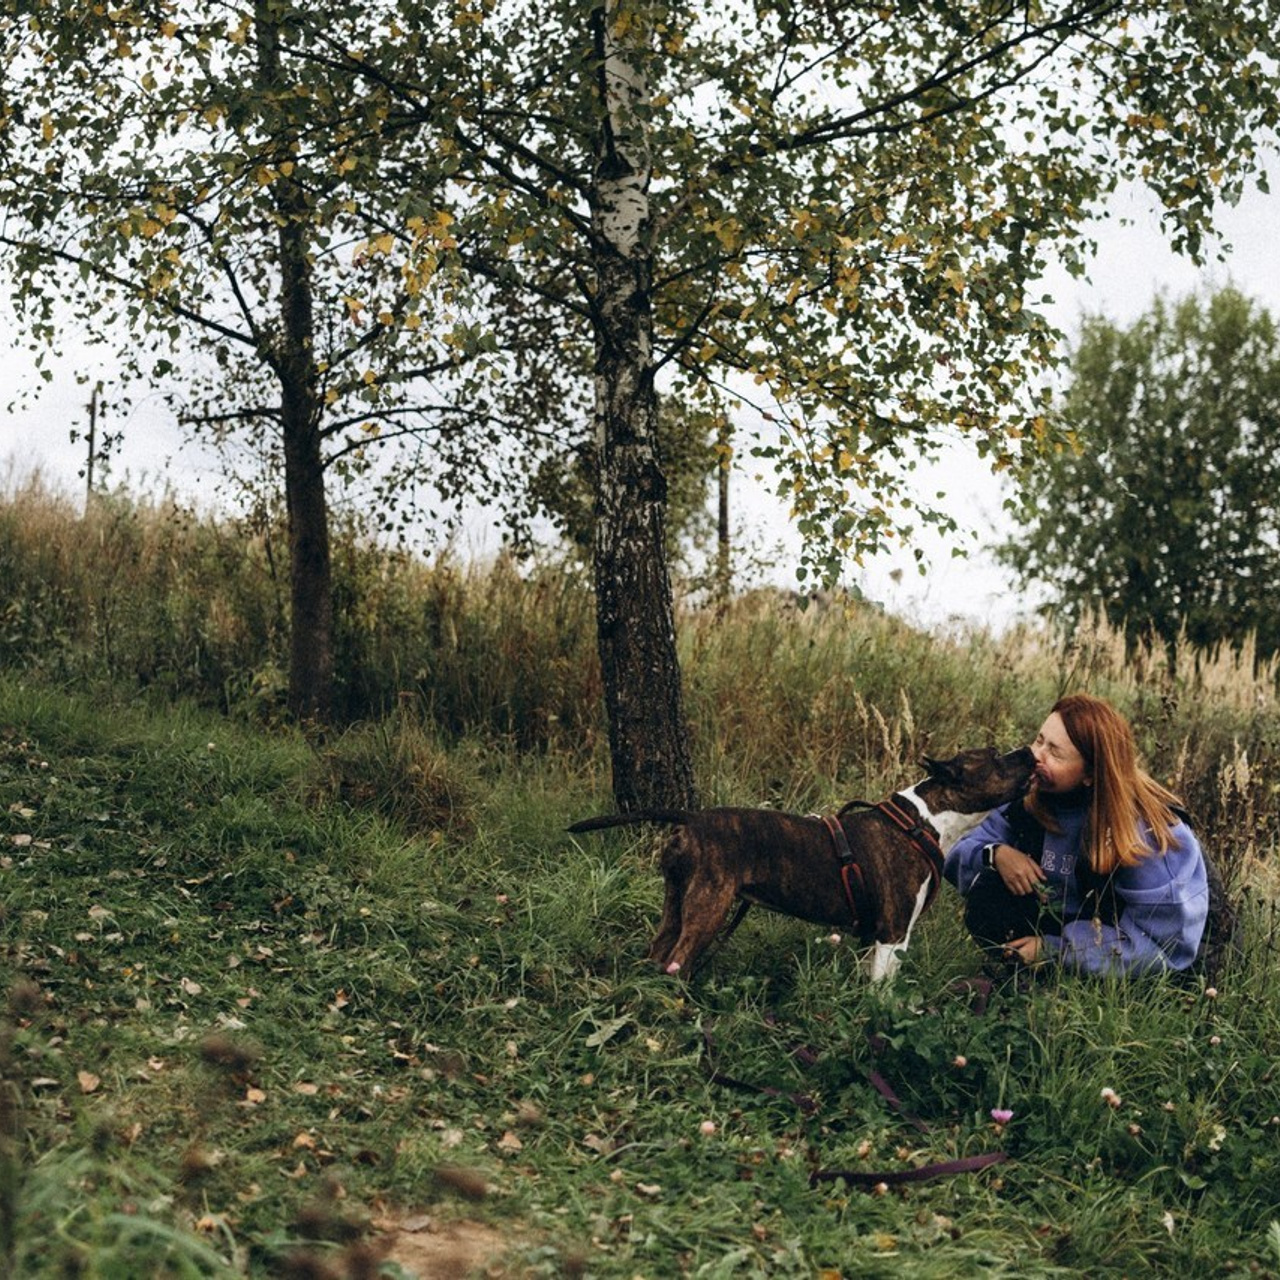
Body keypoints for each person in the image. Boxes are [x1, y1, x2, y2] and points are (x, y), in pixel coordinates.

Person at [944, 693, 1209, 976]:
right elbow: (955, 846)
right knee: (988, 891)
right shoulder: (1025, 797)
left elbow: (1163, 945)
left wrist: (1057, 951)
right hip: (1059, 926)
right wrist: (995, 854)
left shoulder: (1149, 832)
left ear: (1091, 774)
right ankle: (1019, 973)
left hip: (1136, 960)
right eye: (1039, 740)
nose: (1036, 757)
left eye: (1055, 753)